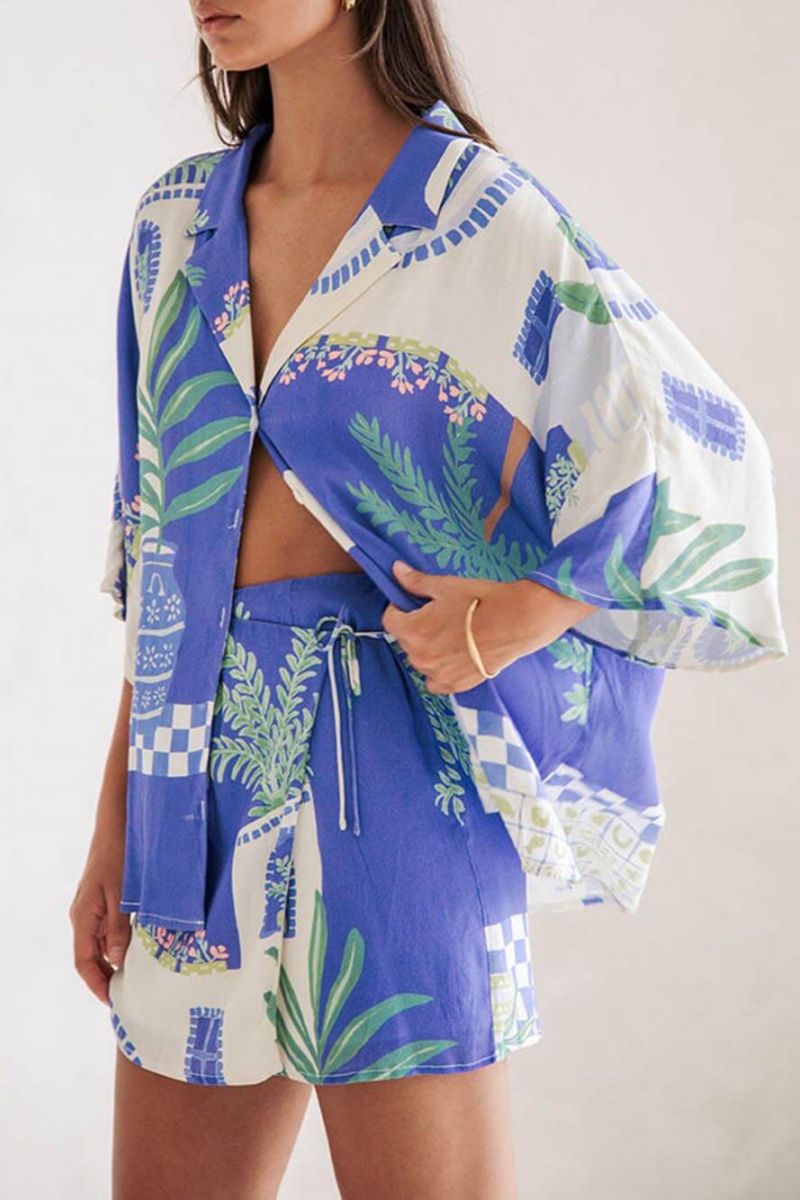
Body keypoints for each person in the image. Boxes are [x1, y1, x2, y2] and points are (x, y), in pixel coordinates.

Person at [70, 1, 787, 1197]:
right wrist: (114, 830)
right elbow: (163, 563)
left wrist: (526, 610)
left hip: (400, 772)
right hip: (193, 774)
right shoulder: (173, 226)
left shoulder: (474, 211)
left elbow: (686, 443)